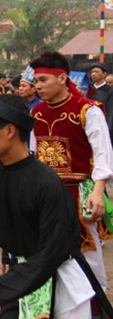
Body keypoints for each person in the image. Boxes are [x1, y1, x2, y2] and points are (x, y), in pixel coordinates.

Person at [0, 94, 97, 319]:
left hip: (58, 279)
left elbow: (51, 253)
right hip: (25, 275)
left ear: (10, 131)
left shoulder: (46, 184)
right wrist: (8, 252)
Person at [30, 51, 113, 288]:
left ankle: (96, 311)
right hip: (46, 196)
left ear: (62, 78)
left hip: (79, 194)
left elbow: (103, 155)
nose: (38, 86)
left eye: (43, 80)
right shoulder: (36, 113)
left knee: (87, 255)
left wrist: (98, 192)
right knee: (46, 251)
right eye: (36, 81)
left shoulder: (88, 110)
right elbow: (33, 156)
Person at [87, 61, 113, 144]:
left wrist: (108, 129)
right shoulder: (88, 90)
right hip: (89, 125)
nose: (93, 74)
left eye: (96, 72)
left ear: (104, 74)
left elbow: (110, 111)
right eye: (92, 72)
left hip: (103, 126)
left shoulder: (109, 90)